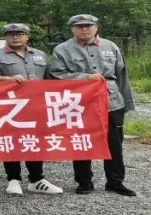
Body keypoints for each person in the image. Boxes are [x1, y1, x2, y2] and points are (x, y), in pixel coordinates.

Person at [49, 14, 137, 196]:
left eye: (88, 25)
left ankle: (115, 182)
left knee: (114, 144)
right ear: (72, 29)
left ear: (96, 27)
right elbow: (56, 74)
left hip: (111, 101)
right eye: (79, 26)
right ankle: (84, 182)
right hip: (79, 103)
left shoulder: (110, 46)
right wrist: (84, 77)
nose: (84, 29)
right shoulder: (62, 49)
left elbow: (122, 75)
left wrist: (126, 103)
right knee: (81, 141)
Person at [0, 23, 64, 196]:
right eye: (11, 34)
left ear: (27, 36)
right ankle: (13, 179)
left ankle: (36, 179)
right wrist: (8, 79)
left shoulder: (40, 55)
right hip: (9, 107)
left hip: (36, 105)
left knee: (35, 140)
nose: (15, 37)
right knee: (10, 141)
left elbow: (50, 78)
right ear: (5, 37)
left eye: (20, 33)